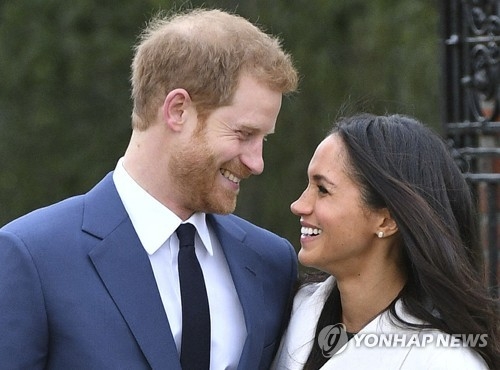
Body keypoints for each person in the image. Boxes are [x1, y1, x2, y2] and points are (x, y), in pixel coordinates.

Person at [0, 8, 299, 369]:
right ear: (177, 110)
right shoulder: (32, 257)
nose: (257, 162)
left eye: (263, 139)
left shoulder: (271, 263)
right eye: (244, 134)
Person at [272, 114, 499, 369]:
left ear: (386, 221)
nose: (299, 205)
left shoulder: (445, 361)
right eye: (309, 186)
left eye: (323, 190)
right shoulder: (294, 311)